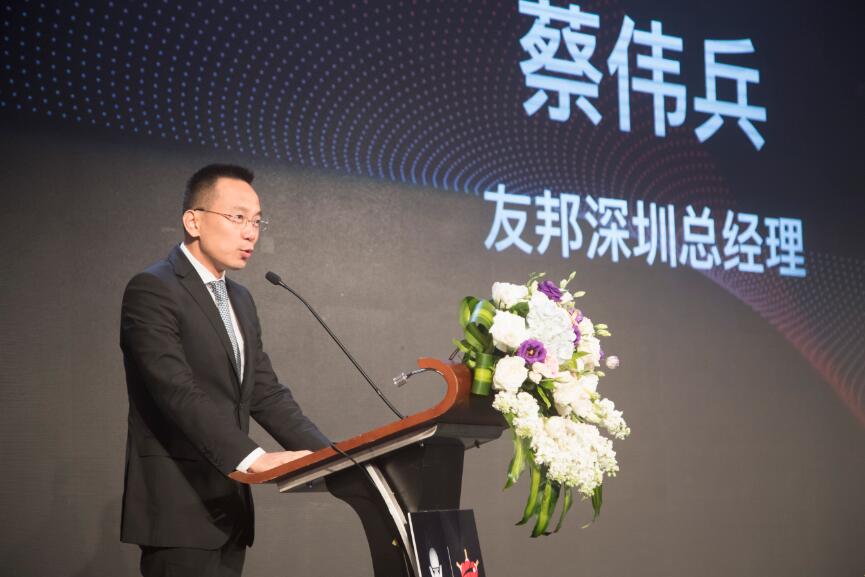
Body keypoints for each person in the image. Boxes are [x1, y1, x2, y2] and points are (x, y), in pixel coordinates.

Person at [119, 164, 329, 577]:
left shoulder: (241, 299)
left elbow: (265, 392)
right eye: (237, 217)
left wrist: (333, 458)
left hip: (229, 512)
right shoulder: (153, 289)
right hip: (178, 511)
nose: (250, 233)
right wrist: (253, 458)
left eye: (256, 221)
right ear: (193, 221)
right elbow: (176, 392)